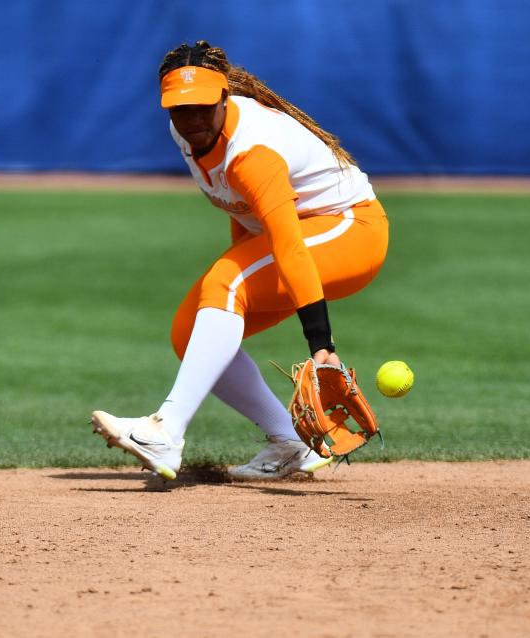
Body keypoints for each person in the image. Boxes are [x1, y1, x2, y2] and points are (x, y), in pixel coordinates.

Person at [91, 41, 389, 481]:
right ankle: (290, 441)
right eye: (179, 107)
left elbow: (289, 244)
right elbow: (244, 214)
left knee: (225, 282)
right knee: (191, 333)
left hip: (349, 231)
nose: (191, 117)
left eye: (202, 106)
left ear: (225, 97)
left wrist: (321, 346)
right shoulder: (188, 134)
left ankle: (165, 430)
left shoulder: (253, 153)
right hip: (300, 236)